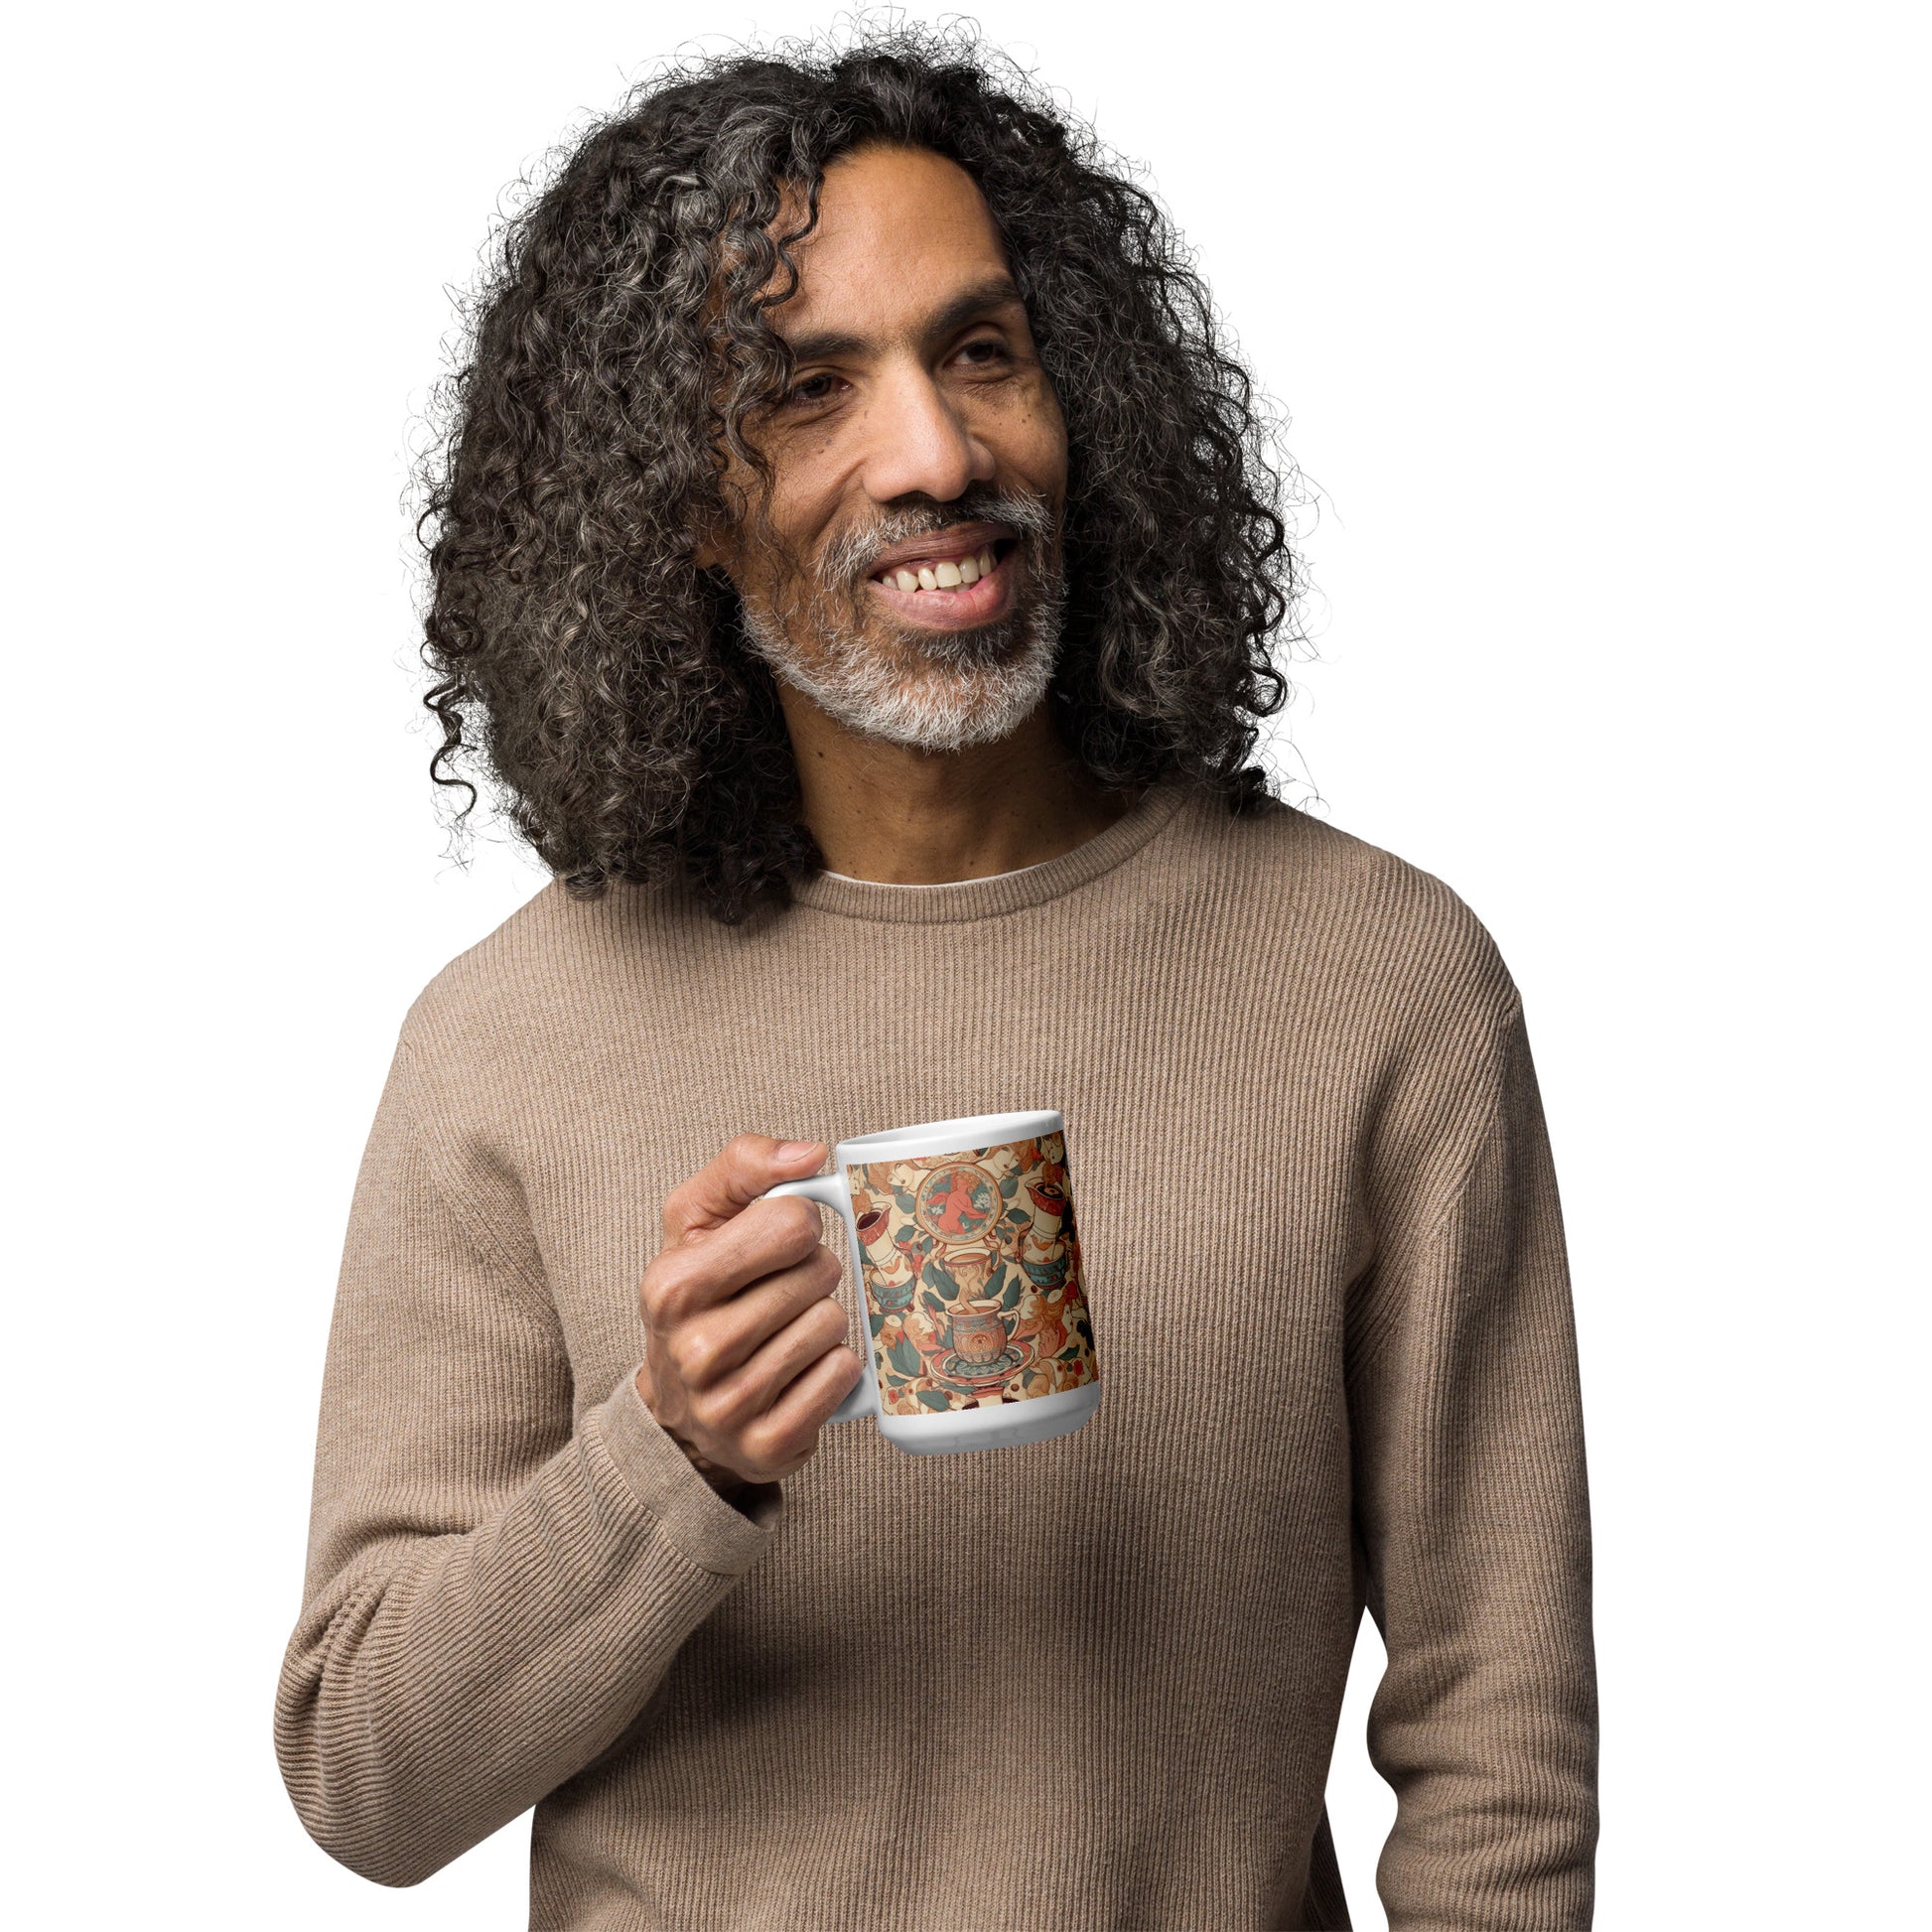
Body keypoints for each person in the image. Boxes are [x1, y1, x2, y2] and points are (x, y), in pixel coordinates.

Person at [275, 29, 1597, 1930]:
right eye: (810, 389)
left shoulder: (1381, 984)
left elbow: (1504, 1757)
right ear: (677, 504)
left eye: (978, 351)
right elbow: (364, 1777)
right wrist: (672, 1455)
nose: (936, 453)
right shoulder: (508, 1044)